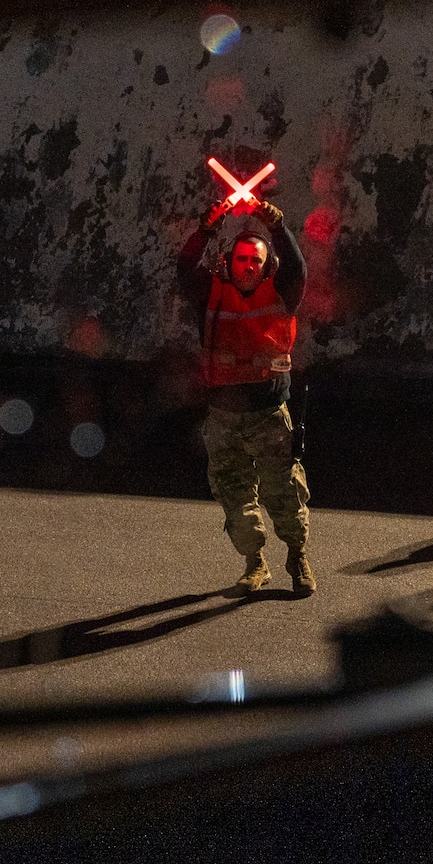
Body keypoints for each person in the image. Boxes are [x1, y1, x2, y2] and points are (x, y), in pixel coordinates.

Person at [177, 192, 314, 596]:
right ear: (228, 263)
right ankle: (255, 564)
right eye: (241, 259)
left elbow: (297, 267)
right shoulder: (210, 294)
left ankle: (297, 556)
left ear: (266, 265)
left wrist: (277, 226)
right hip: (223, 417)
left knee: (284, 493)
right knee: (235, 497)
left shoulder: (282, 292)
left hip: (268, 414)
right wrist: (206, 229)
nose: (249, 266)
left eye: (256, 260)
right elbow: (186, 267)